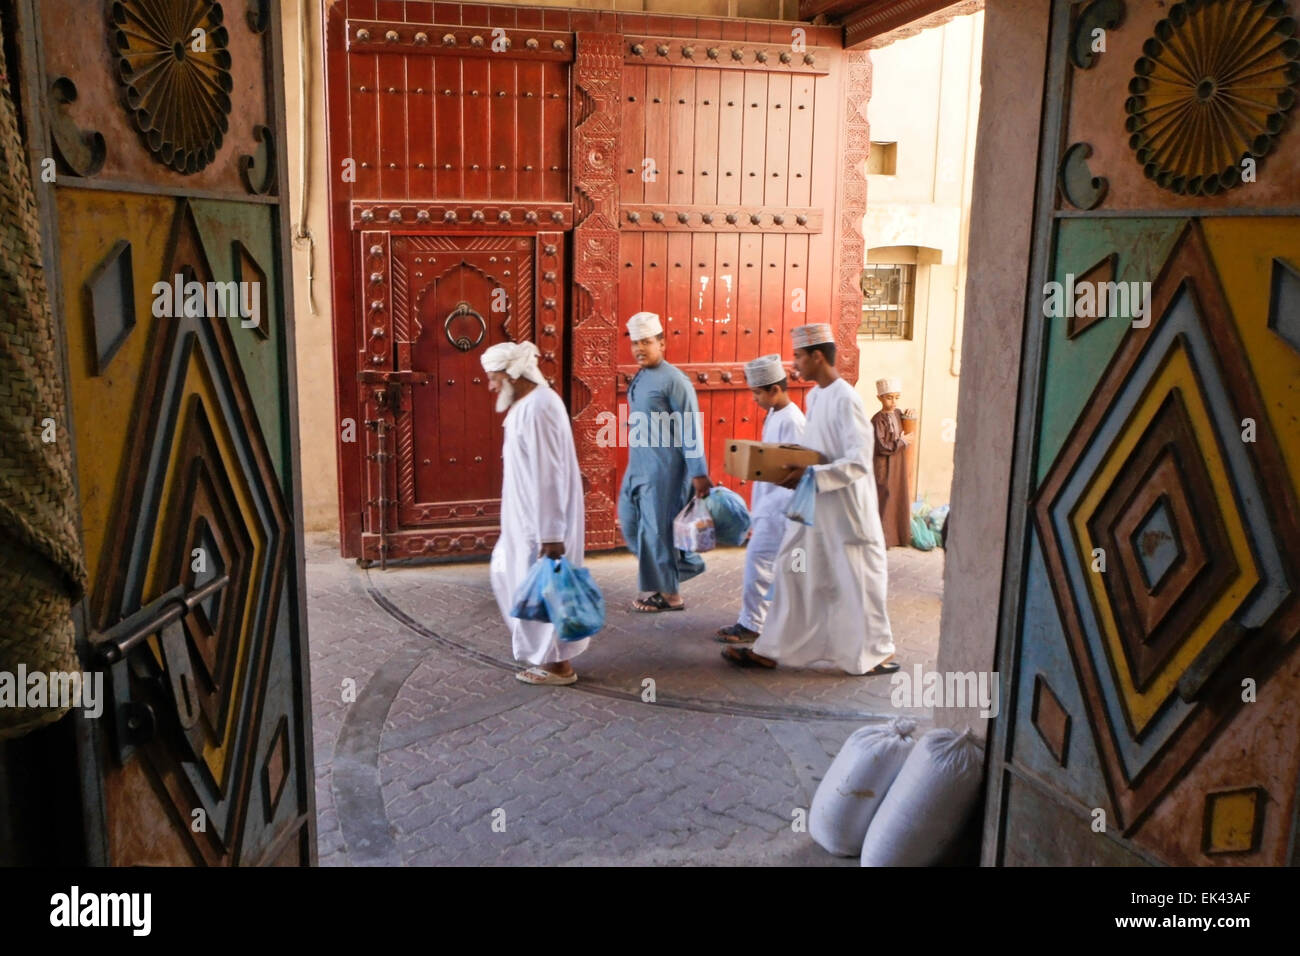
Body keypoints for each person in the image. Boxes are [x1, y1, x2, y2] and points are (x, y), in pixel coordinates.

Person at [722, 324, 897, 675]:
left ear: (818, 356)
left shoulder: (847, 398)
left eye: (799, 356)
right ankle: (769, 650)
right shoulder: (815, 396)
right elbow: (817, 452)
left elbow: (858, 462)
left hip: (847, 512)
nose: (794, 364)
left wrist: (810, 475)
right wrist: (789, 467)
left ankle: (876, 653)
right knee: (792, 571)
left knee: (858, 581)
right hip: (814, 504)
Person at [481, 340, 589, 686]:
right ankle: (549, 657)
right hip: (527, 522)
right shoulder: (528, 404)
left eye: (494, 377)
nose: (491, 385)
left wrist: (551, 534)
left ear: (512, 374)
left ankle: (558, 665)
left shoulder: (539, 407)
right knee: (508, 572)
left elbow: (549, 474)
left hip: (540, 527)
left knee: (542, 589)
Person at [617, 311, 712, 612]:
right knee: (632, 523)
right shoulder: (643, 374)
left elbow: (690, 427)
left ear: (662, 343)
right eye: (635, 343)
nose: (639, 349)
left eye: (645, 342)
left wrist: (698, 472)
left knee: (656, 530)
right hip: (639, 464)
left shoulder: (675, 381)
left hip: (665, 469)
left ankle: (671, 595)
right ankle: (681, 567)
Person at [715, 354, 806, 645]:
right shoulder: (775, 414)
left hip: (781, 509)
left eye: (757, 392)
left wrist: (773, 510)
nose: (754, 398)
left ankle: (752, 625)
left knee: (759, 563)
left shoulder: (792, 421)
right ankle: (766, 621)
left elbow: (796, 469)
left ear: (775, 390)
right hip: (770, 506)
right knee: (768, 566)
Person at [871, 378, 915, 548]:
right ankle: (882, 540)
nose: (893, 401)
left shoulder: (897, 414)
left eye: (897, 397)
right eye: (889, 397)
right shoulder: (877, 420)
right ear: (880, 398)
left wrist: (909, 414)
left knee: (897, 497)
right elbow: (882, 447)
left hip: (898, 465)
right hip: (883, 465)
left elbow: (906, 420)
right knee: (885, 499)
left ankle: (899, 537)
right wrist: (902, 442)